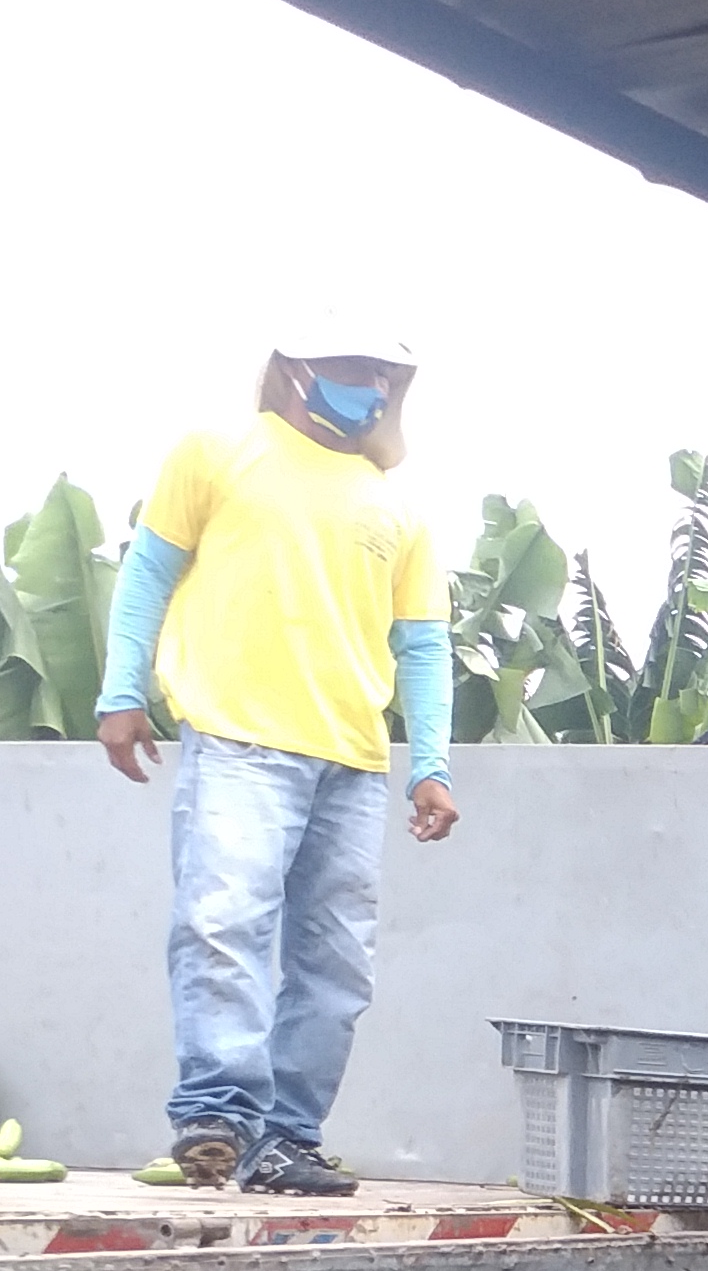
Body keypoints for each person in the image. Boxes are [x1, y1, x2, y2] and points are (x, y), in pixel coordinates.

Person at [95, 322, 457, 1196]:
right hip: (238, 742)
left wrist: (431, 764)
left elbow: (423, 645)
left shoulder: (397, 506)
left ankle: (287, 1140)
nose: (373, 386)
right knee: (222, 925)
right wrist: (120, 692)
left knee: (337, 968)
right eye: (354, 367)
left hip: (353, 764)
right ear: (296, 369)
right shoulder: (216, 454)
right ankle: (216, 1116)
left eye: (383, 373)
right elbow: (147, 575)